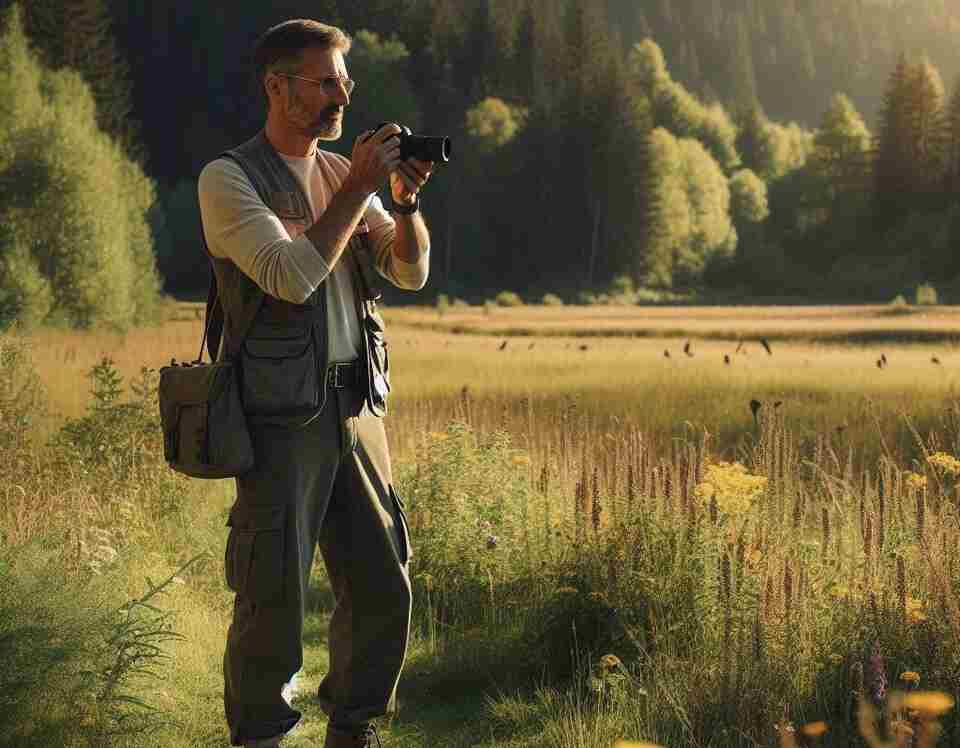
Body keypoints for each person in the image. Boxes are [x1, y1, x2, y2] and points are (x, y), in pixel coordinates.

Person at [197, 18, 433, 748]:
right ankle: (262, 735)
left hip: (357, 405)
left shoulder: (339, 174)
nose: (341, 96)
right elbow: (292, 278)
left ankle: (353, 730)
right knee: (272, 592)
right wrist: (357, 186)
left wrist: (401, 203)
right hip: (277, 414)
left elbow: (410, 271)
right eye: (325, 81)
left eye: (345, 82)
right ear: (276, 86)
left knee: (383, 583)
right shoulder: (228, 178)